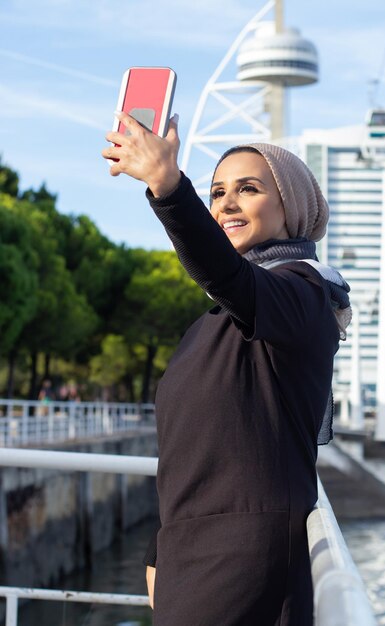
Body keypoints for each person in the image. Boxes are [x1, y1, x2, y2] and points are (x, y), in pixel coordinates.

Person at [102, 112, 351, 626]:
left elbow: (229, 277)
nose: (227, 203)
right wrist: (159, 546)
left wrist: (168, 186)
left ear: (291, 206)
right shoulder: (211, 323)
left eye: (248, 188)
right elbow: (194, 446)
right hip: (186, 554)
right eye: (216, 192)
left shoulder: (304, 291)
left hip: (248, 557)